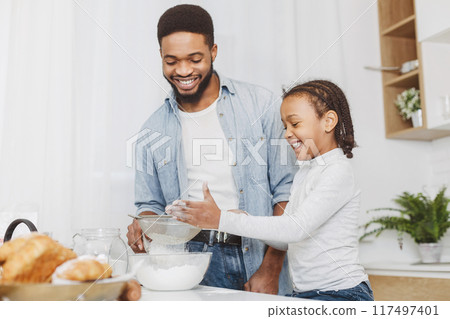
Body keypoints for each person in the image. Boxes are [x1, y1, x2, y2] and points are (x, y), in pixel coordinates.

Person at [126, 4, 297, 295]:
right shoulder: (150, 131)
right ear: (161, 57)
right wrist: (144, 223)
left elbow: (287, 191)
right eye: (172, 61)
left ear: (213, 52)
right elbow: (150, 204)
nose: (183, 71)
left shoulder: (261, 105)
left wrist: (271, 268)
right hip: (187, 260)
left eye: (195, 59)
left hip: (254, 255)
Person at [168, 80, 375, 301]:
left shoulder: (337, 171)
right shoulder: (306, 172)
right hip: (307, 294)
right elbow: (285, 240)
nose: (287, 133)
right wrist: (240, 219)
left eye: (295, 124)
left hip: (341, 294)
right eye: (285, 126)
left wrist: (222, 220)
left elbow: (295, 229)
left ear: (329, 121)